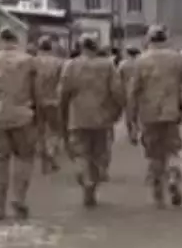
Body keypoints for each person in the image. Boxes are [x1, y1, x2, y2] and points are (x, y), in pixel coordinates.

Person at [128, 24, 182, 207]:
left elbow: (133, 92)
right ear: (165, 39)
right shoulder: (178, 58)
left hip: (149, 114)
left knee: (154, 154)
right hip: (172, 113)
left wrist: (131, 120)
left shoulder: (141, 61)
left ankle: (158, 194)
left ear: (149, 40)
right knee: (172, 150)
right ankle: (173, 176)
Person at [0, 27, 40, 221]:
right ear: (16, 40)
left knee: (0, 163)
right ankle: (19, 198)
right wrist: (37, 113)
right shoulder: (28, 61)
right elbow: (36, 91)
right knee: (24, 159)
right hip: (23, 116)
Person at [58, 36, 125, 207]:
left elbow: (63, 94)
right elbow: (117, 91)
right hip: (101, 118)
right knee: (98, 156)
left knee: (81, 154)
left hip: (78, 117)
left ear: (81, 47)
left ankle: (85, 179)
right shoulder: (108, 66)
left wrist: (62, 116)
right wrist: (119, 111)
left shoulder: (71, 65)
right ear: (96, 47)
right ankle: (92, 188)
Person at [33, 37, 65, 174]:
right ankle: (51, 151)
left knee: (39, 131)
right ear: (50, 48)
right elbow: (63, 83)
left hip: (36, 100)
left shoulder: (32, 62)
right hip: (53, 100)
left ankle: (44, 162)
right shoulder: (58, 63)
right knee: (55, 130)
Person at [118, 47, 141, 145]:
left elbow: (118, 78)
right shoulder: (141, 63)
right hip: (140, 91)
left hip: (127, 91)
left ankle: (132, 133)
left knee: (129, 114)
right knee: (138, 113)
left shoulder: (123, 64)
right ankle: (136, 131)